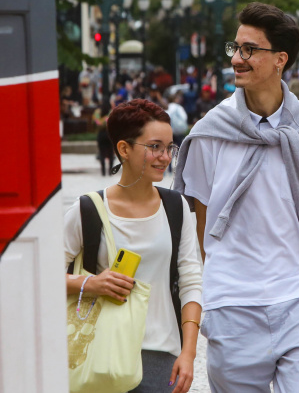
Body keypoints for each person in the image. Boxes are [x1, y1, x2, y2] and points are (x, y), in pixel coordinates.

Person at [173, 2, 299, 392]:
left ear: (280, 60)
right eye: (235, 48)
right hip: (232, 303)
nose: (236, 59)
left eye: (249, 49)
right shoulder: (210, 133)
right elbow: (200, 225)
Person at [64, 99, 203, 393]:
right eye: (154, 147)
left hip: (160, 355)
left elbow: (191, 281)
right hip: (100, 352)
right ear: (124, 149)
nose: (165, 157)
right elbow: (41, 277)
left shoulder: (176, 207)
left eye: (169, 147)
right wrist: (91, 283)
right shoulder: (88, 209)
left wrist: (188, 353)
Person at [92, 101, 114, 176]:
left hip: (100, 135)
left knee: (102, 153)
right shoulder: (111, 113)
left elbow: (94, 123)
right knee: (111, 153)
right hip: (109, 134)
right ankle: (110, 171)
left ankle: (103, 171)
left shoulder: (97, 113)